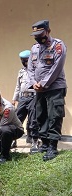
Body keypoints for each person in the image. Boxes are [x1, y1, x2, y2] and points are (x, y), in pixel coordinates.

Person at [27, 20, 67, 161]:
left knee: (54, 115)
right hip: (39, 89)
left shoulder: (58, 46)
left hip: (55, 87)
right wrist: (34, 83)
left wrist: (44, 83)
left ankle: (52, 147)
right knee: (41, 114)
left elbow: (57, 67)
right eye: (35, 34)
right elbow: (30, 68)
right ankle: (44, 144)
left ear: (48, 30)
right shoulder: (34, 48)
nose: (38, 37)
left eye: (40, 33)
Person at [12, 50, 39, 153]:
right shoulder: (21, 72)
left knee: (33, 120)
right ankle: (13, 140)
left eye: (26, 60)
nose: (24, 62)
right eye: (22, 60)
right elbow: (18, 86)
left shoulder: (36, 71)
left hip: (33, 97)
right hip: (22, 98)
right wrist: (14, 99)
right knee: (17, 119)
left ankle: (35, 142)